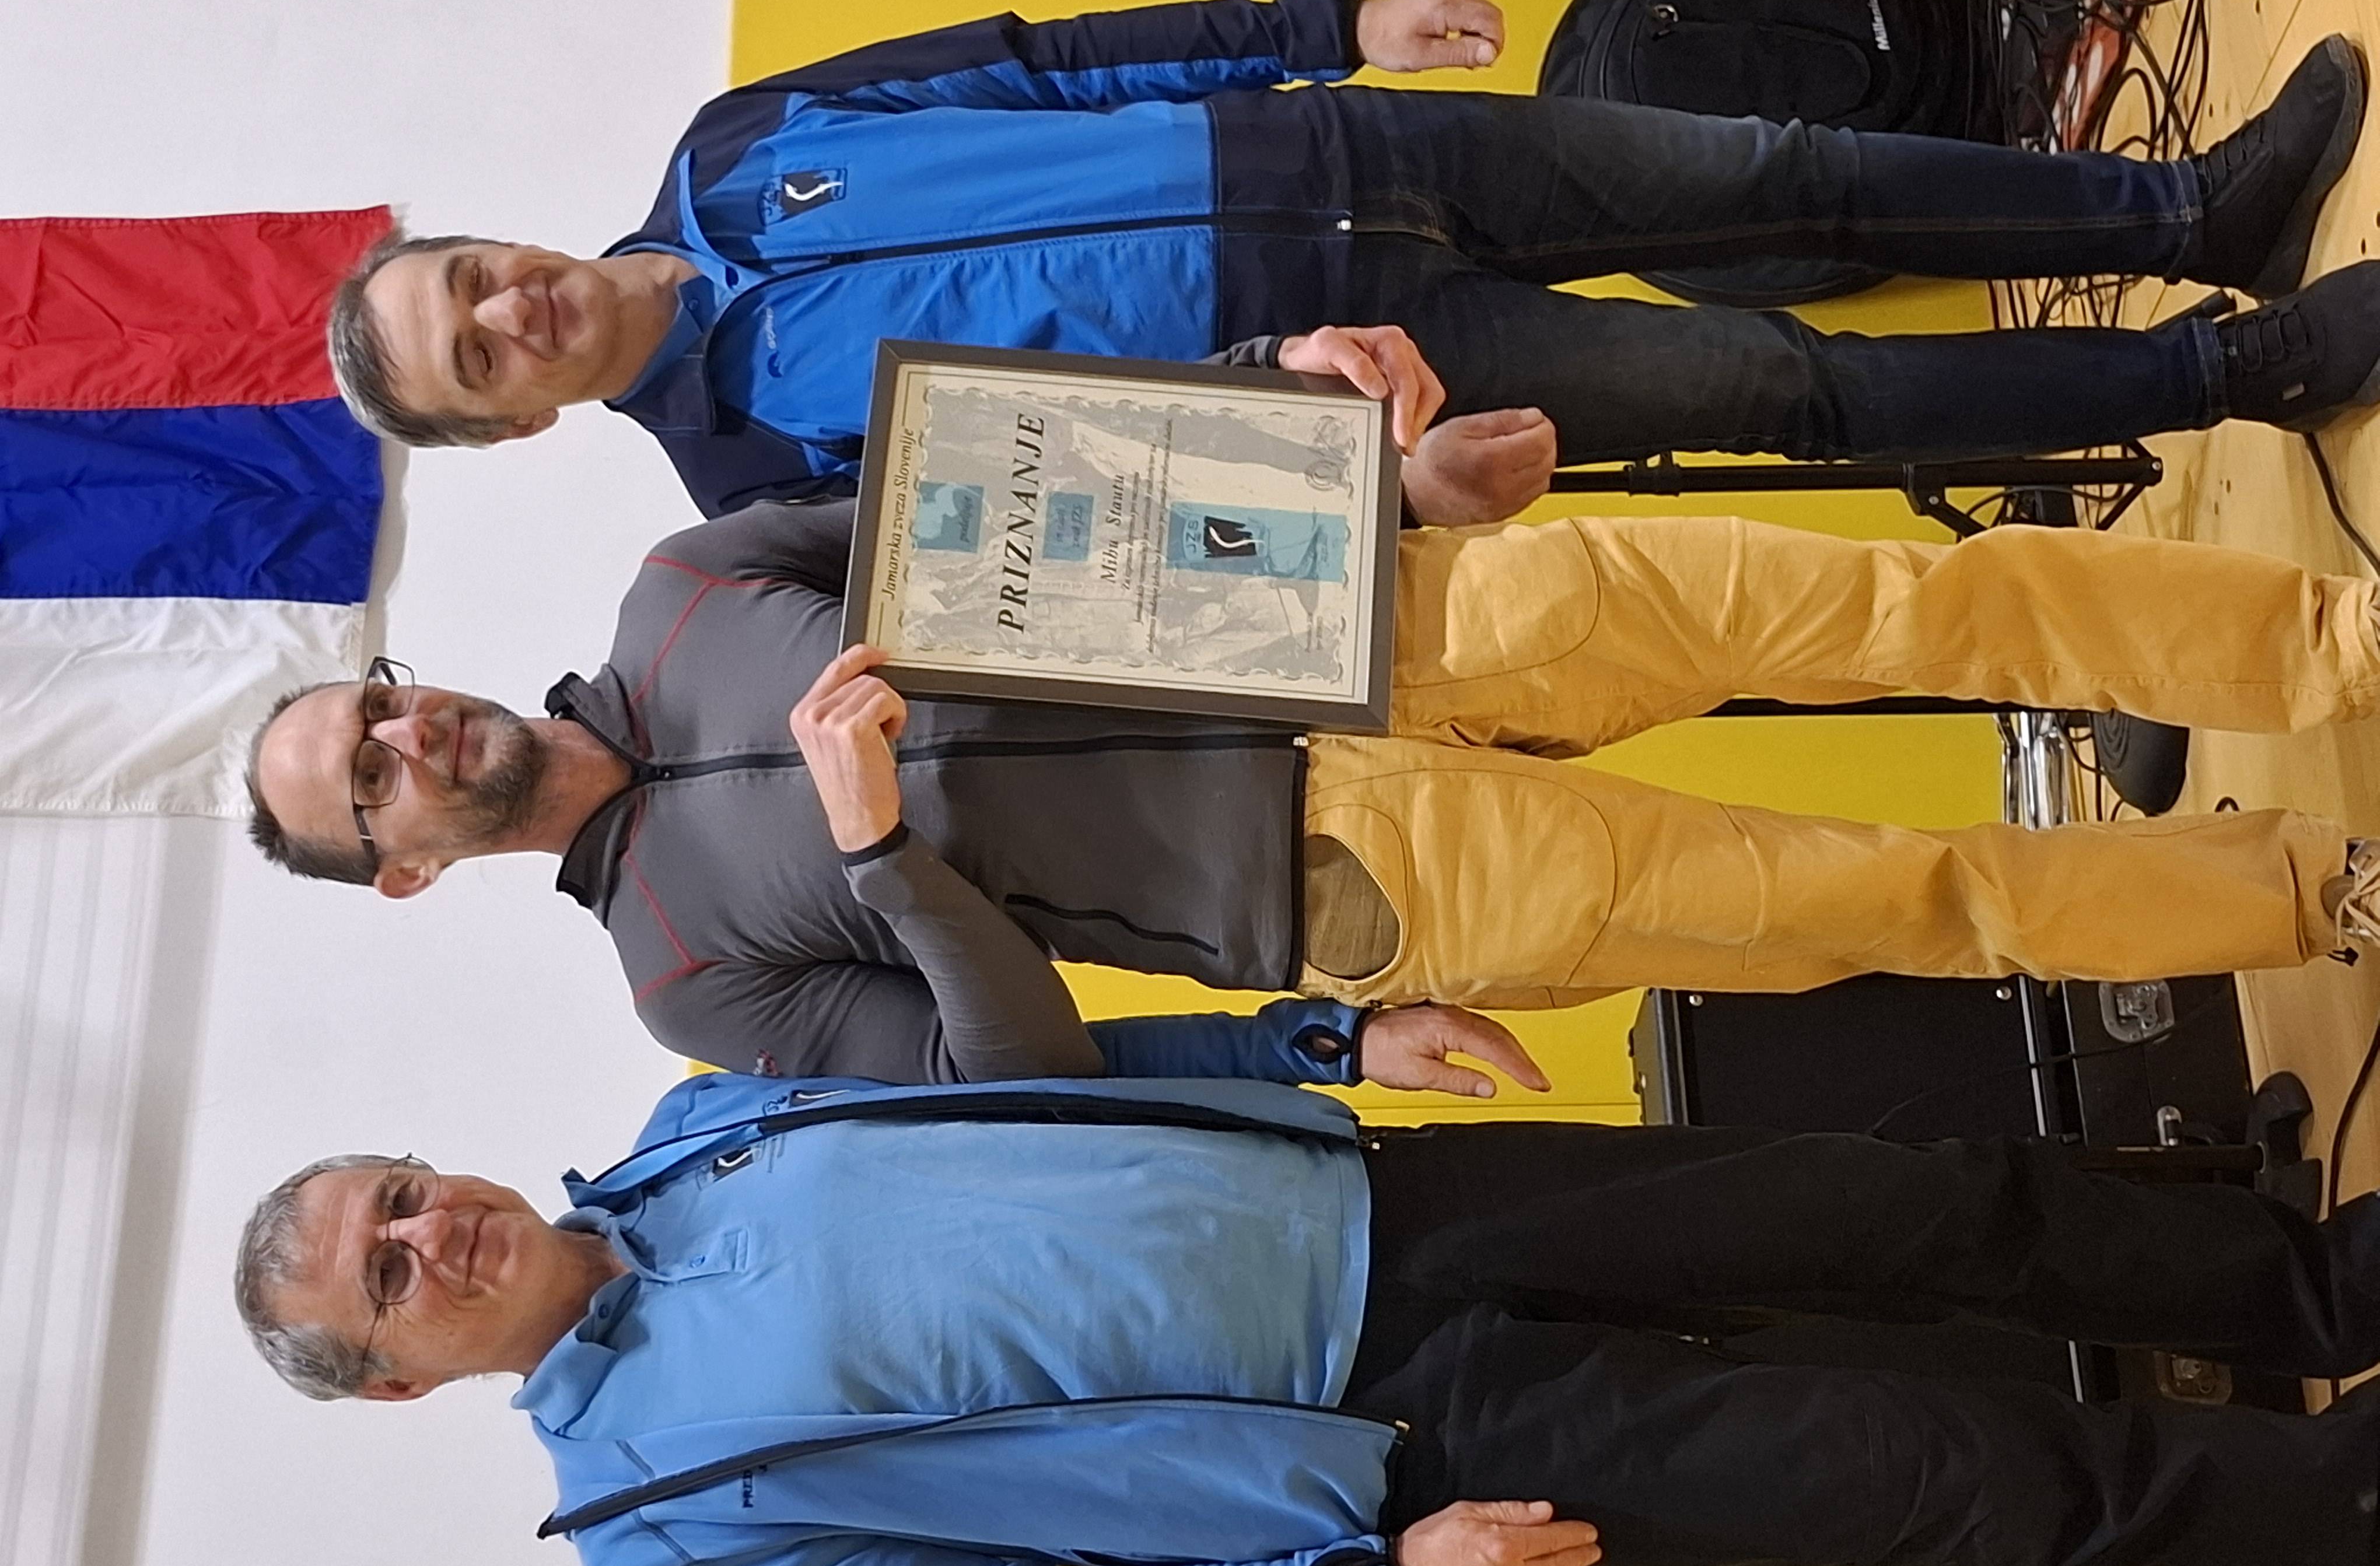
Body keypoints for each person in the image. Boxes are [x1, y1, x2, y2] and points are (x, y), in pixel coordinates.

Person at [236, 1035, 2380, 1566]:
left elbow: (1043, 1080)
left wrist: (1316, 1033)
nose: (429, 1231)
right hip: (1397, 1443)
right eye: (384, 1273)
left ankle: (2325, 1288)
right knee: (1954, 1477)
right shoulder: (655, 1531)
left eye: (397, 1190)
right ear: (400, 1384)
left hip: (1404, 1197)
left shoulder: (702, 1120)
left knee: (1925, 1202)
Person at [246, 486, 2380, 1080]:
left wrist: (1358, 464)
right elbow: (1027, 1067)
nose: (408, 739)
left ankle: (2331, 647)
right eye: (370, 786)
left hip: (1382, 613)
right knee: (1918, 903)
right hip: (1362, 874)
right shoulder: (684, 982)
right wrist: (885, 853)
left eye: (378, 705)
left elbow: (1040, 479)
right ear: (402, 870)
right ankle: (2309, 892)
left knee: (1910, 602)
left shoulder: (686, 577)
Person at [320, 0, 2380, 521]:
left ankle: (2191, 213)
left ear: (492, 237)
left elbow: (1043, 65)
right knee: (1795, 389)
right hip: (1352, 361)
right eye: (476, 355)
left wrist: (1328, 26)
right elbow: (1085, 509)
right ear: (514, 427)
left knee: (1793, 168)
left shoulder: (738, 143)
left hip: (1352, 140)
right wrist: (1354, 471)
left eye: (469, 278)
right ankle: (2235, 370)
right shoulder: (754, 476)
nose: (509, 310)